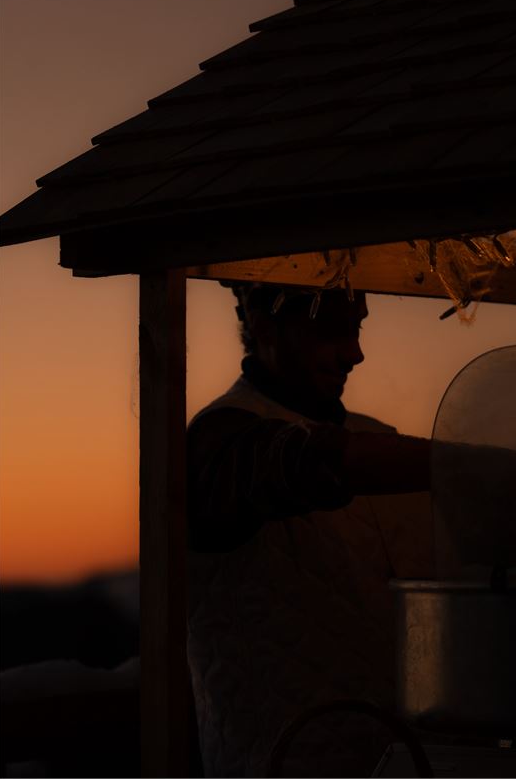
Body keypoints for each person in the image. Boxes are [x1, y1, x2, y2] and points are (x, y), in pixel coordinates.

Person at [186, 283, 438, 778]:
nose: (356, 352)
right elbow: (306, 463)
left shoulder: (381, 441)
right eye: (331, 332)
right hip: (281, 763)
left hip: (403, 762)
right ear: (263, 326)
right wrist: (467, 463)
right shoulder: (219, 444)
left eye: (357, 328)